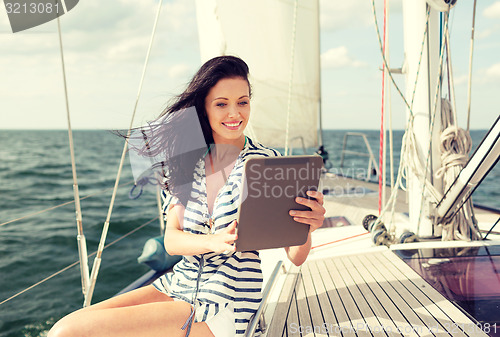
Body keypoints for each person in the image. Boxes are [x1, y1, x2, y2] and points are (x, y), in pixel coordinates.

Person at [48, 55, 325, 337]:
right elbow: (172, 239)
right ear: (203, 108)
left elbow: (296, 257)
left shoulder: (267, 163)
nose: (235, 113)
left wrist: (307, 227)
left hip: (225, 303)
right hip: (176, 286)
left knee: (70, 334)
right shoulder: (185, 161)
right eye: (221, 104)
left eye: (242, 102)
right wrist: (213, 242)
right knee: (64, 327)